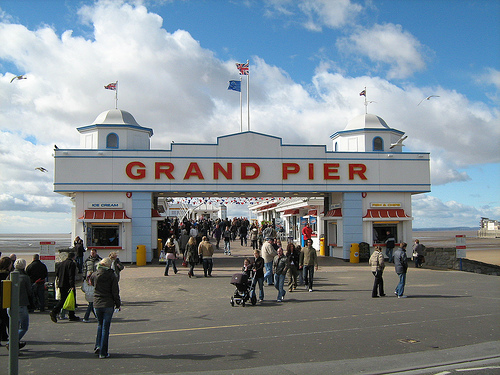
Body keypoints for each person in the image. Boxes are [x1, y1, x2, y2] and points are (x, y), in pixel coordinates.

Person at [91, 257, 121, 359]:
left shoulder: (94, 274)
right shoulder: (111, 275)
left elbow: (90, 282)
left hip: (97, 303)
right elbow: (115, 291)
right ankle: (103, 352)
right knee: (105, 328)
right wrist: (118, 304)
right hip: (108, 303)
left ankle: (98, 346)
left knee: (100, 325)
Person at [6, 259, 33, 350]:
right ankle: (12, 343)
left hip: (10, 305)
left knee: (14, 326)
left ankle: (14, 344)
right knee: (24, 326)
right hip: (21, 304)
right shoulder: (25, 277)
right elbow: (29, 292)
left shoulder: (10, 276)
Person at [50, 252, 80, 322]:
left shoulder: (61, 264)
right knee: (69, 299)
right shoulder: (71, 264)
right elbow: (71, 275)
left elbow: (57, 274)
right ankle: (54, 312)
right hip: (68, 284)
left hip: (61, 284)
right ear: (73, 257)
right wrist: (72, 285)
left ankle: (71, 314)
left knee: (65, 299)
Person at [0, 257, 12, 345]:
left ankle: (3, 335)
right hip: (6, 299)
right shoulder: (9, 275)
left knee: (2, 320)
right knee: (8, 320)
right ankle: (13, 339)